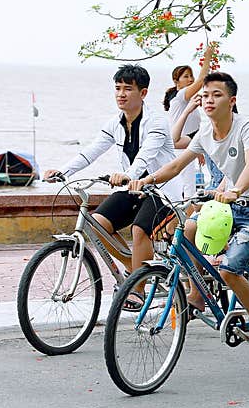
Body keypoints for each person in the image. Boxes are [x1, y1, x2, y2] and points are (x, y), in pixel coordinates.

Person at [130, 72, 249, 368]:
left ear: (232, 101)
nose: (209, 100)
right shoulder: (204, 134)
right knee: (185, 231)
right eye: (205, 95)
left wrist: (236, 189)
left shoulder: (246, 127)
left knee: (229, 270)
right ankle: (197, 295)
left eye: (217, 95)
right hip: (228, 207)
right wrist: (146, 180)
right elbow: (176, 164)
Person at [43, 64, 183, 286]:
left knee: (140, 230)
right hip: (133, 189)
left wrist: (127, 175)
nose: (121, 94)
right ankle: (135, 266)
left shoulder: (156, 122)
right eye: (117, 88)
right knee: (96, 223)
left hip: (162, 189)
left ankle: (137, 289)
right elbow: (91, 150)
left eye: (128, 89)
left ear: (143, 93)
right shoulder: (115, 123)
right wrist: (63, 171)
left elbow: (144, 157)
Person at [165, 43, 224, 192]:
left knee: (194, 185)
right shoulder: (180, 96)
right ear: (176, 81)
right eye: (186, 76)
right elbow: (202, 79)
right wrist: (208, 56)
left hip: (189, 142)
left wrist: (198, 151)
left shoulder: (184, 98)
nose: (191, 79)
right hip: (180, 145)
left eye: (191, 75)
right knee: (189, 188)